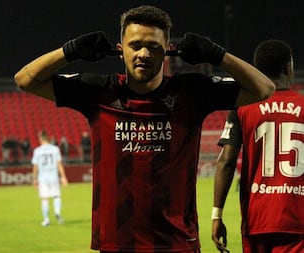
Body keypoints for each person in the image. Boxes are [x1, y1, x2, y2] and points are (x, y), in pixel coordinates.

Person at [14, 5, 275, 252]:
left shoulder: (192, 92)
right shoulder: (98, 91)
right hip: (117, 243)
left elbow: (264, 88)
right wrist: (70, 51)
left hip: (178, 242)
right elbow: (25, 79)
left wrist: (217, 54)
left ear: (167, 50)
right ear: (120, 50)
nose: (144, 54)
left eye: (153, 47)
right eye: (135, 45)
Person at [212, 39, 304, 253]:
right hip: (297, 219)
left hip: (256, 220)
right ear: (288, 68)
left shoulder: (243, 107)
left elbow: (226, 161)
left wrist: (217, 215)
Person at [31, 130, 68, 227]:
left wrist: (34, 179)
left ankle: (46, 220)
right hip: (53, 177)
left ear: (40, 139)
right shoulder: (55, 149)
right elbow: (59, 164)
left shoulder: (37, 151)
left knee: (45, 199)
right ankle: (57, 211)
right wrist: (63, 177)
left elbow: (35, 166)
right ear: (48, 138)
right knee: (56, 196)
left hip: (43, 178)